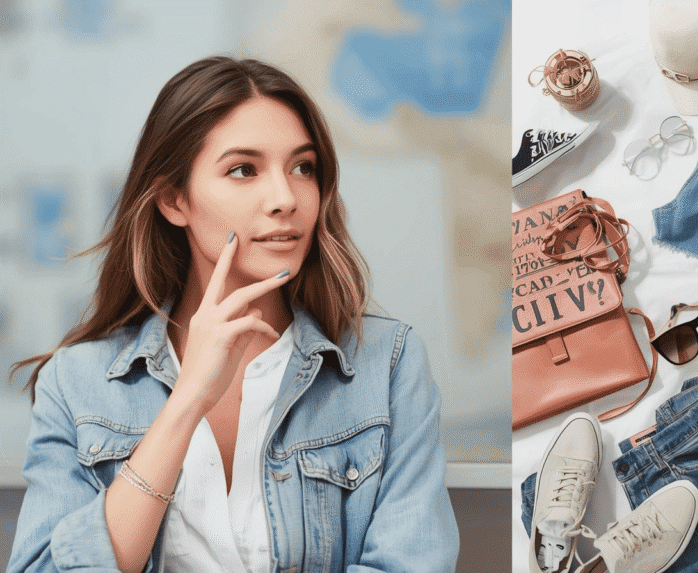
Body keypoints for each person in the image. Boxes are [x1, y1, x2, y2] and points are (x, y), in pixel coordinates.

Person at [6, 56, 459, 573]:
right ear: (174, 200)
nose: (286, 198)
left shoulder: (388, 363)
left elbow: (410, 563)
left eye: (302, 168)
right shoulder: (77, 382)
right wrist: (187, 402)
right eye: (243, 170)